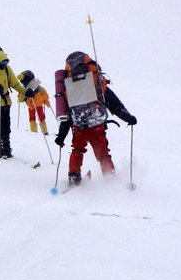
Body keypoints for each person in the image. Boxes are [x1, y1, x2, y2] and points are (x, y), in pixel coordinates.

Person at [53, 51, 136, 187]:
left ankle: (74, 177)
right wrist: (128, 117)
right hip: (97, 126)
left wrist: (61, 136)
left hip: (79, 126)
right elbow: (114, 104)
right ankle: (109, 178)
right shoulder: (96, 82)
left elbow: (67, 115)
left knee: (77, 150)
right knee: (103, 155)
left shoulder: (70, 87)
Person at [18, 70, 51, 134]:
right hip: (37, 104)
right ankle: (44, 130)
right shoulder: (38, 87)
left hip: (31, 106)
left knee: (32, 117)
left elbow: (21, 99)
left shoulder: (25, 89)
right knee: (41, 116)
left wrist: (20, 98)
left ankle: (34, 130)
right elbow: (45, 94)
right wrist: (47, 102)